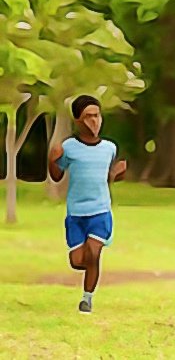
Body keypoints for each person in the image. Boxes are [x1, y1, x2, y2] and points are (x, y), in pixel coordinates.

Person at [48, 95, 127, 314]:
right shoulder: (69, 147)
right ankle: (90, 270)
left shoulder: (109, 148)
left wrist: (117, 173)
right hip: (76, 214)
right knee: (77, 261)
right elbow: (56, 175)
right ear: (78, 121)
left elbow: (107, 177)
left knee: (94, 252)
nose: (94, 121)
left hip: (100, 211)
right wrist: (52, 159)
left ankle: (87, 299)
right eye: (88, 116)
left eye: (97, 115)